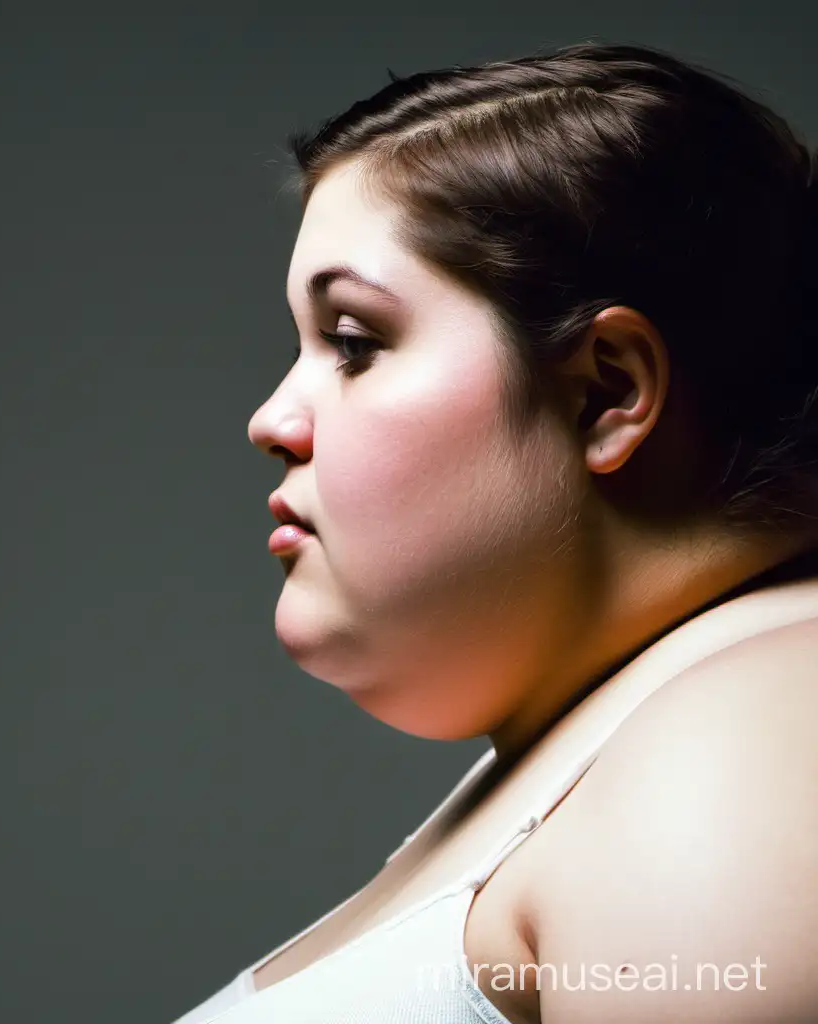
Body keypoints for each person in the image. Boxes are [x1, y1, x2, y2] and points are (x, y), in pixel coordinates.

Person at [171, 41, 818, 1023]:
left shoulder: (743, 746)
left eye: (353, 342)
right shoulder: (644, 732)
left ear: (607, 390)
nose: (271, 420)